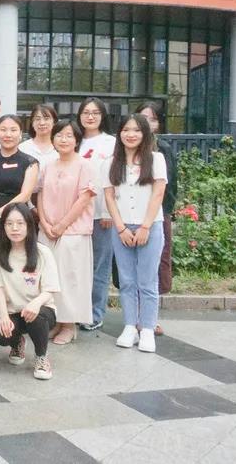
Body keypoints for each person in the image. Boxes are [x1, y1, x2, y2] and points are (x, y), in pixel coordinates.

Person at [104, 114, 167, 353]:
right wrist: (120, 227)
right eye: (126, 130)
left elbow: (158, 194)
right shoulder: (111, 163)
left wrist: (145, 227)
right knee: (127, 281)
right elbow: (109, 196)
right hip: (122, 228)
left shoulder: (156, 159)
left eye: (137, 130)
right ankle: (130, 325)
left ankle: (147, 328)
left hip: (149, 226)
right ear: (119, 133)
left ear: (145, 134)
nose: (131, 134)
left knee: (147, 281)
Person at [37, 120, 96, 345]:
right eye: (59, 135)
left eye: (69, 135)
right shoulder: (48, 165)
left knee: (71, 279)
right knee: (50, 279)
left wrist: (62, 225)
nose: (64, 139)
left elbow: (84, 199)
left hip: (73, 231)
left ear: (77, 140)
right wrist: (44, 222)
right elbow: (40, 194)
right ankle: (57, 321)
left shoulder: (84, 165)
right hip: (48, 229)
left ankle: (69, 325)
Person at [0, 203, 59, 381]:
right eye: (9, 223)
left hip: (39, 310)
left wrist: (35, 303)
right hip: (12, 310)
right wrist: (3, 316)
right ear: (3, 226)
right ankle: (17, 341)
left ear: (29, 225)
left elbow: (50, 289)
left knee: (38, 318)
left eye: (20, 223)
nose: (15, 228)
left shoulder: (42, 252)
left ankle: (41, 357)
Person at [136, 101, 177, 335]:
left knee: (156, 265)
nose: (146, 123)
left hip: (157, 216)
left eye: (151, 119)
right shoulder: (125, 147)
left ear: (158, 124)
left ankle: (150, 318)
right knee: (132, 267)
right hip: (130, 216)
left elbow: (169, 186)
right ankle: (135, 316)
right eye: (142, 117)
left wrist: (162, 214)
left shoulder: (163, 149)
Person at [77, 97, 117, 332]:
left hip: (101, 213)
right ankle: (75, 311)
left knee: (99, 265)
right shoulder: (73, 139)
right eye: (86, 112)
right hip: (74, 214)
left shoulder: (111, 143)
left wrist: (108, 211)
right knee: (76, 266)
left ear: (103, 116)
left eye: (95, 113)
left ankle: (95, 312)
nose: (90, 117)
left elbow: (116, 179)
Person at [0, 115, 38, 248]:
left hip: (17, 217)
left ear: (20, 133)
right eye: (3, 130)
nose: (8, 134)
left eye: (13, 130)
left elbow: (25, 195)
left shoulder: (30, 162)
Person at [19, 103, 60, 183]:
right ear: (32, 123)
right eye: (37, 119)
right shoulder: (22, 148)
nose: (42, 123)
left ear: (54, 122)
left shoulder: (61, 148)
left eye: (46, 118)